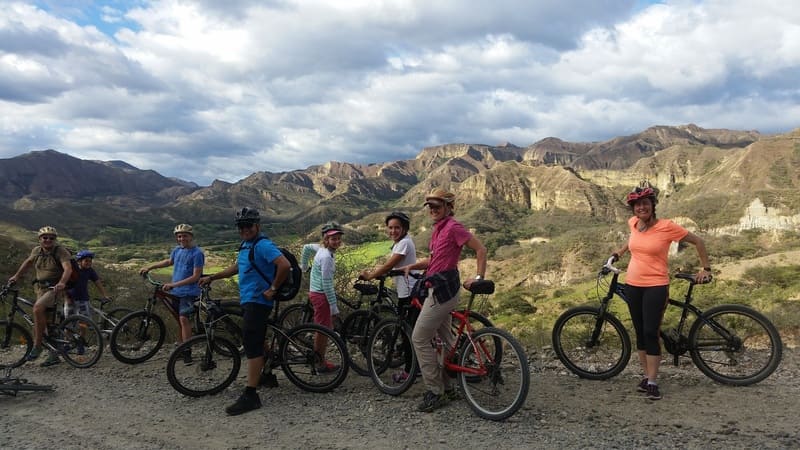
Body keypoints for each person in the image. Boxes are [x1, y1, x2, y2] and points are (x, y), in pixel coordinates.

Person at [611, 183, 711, 401]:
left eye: (645, 204)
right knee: (639, 332)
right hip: (633, 285)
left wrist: (705, 268)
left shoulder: (667, 227)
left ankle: (654, 381)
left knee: (650, 332)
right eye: (637, 205)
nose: (641, 208)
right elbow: (632, 242)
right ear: (633, 209)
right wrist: (619, 252)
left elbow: (698, 241)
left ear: (652, 205)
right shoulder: (634, 223)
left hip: (656, 286)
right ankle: (646, 376)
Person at [398, 188, 487, 413]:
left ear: (449, 207)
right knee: (446, 340)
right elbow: (435, 259)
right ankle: (448, 389)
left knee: (419, 337)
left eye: (437, 206)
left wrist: (478, 278)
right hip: (439, 288)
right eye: (430, 206)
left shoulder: (454, 227)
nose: (433, 210)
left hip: (441, 292)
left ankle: (435, 392)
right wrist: (413, 266)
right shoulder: (439, 229)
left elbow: (480, 249)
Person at [199, 207, 290, 416]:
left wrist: (273, 288)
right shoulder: (246, 245)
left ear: (257, 226)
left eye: (248, 225)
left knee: (251, 344)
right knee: (256, 338)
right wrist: (213, 277)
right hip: (249, 298)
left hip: (259, 300)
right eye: (241, 226)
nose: (244, 229)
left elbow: (283, 265)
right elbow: (238, 267)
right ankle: (266, 374)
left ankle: (251, 394)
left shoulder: (263, 245)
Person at [359, 211, 421, 382]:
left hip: (409, 292)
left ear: (404, 228)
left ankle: (410, 372)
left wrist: (371, 275)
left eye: (397, 228)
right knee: (410, 330)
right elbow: (393, 264)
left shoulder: (404, 244)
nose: (393, 231)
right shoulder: (401, 243)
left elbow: (389, 264)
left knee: (407, 333)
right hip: (406, 290)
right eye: (390, 228)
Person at [8, 226, 73, 366]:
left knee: (37, 309)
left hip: (54, 288)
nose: (48, 240)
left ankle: (37, 346)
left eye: (52, 238)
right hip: (40, 288)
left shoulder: (60, 251)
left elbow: (68, 268)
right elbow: (28, 263)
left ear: (55, 240)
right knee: (47, 322)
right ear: (40, 239)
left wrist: (62, 283)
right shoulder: (36, 250)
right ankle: (53, 354)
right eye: (45, 237)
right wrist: (16, 276)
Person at [139, 224, 204, 361]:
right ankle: (182, 347)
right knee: (179, 320)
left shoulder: (197, 253)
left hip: (189, 292)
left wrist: (173, 284)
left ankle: (187, 352)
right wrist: (150, 267)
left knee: (183, 319)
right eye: (179, 236)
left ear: (191, 236)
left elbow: (196, 277)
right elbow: (169, 261)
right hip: (176, 292)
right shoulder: (177, 250)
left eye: (185, 235)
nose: (182, 238)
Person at [307, 222, 344, 371]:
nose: (336, 241)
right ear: (326, 239)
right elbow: (327, 283)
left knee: (324, 328)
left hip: (316, 292)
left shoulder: (321, 250)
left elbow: (306, 248)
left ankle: (319, 359)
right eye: (332, 238)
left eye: (338, 238)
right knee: (323, 331)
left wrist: (304, 266)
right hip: (321, 295)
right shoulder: (327, 257)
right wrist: (334, 308)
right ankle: (320, 363)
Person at [64, 250, 112, 318]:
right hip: (70, 299)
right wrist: (67, 298)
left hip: (83, 299)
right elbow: (64, 284)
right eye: (86, 261)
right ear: (79, 261)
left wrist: (104, 295)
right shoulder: (72, 270)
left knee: (84, 322)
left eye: (90, 261)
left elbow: (97, 282)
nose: (89, 263)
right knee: (69, 323)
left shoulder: (90, 271)